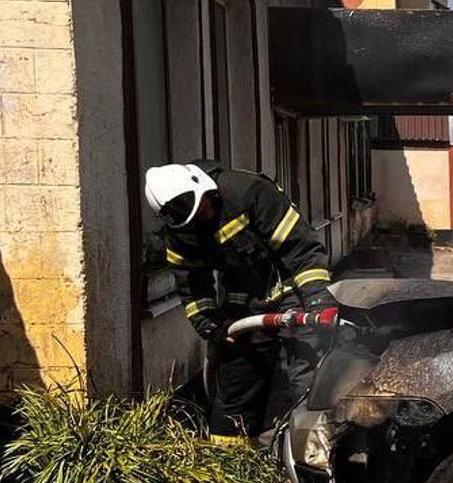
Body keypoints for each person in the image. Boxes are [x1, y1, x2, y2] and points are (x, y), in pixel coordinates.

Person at [143, 160, 333, 441]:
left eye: (204, 208)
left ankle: (313, 455)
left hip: (293, 292)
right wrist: (211, 325)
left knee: (308, 377)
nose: (203, 217)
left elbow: (301, 249)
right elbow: (193, 284)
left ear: (204, 187)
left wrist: (317, 299)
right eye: (193, 217)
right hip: (244, 304)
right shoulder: (181, 230)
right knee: (235, 384)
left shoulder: (249, 192)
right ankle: (229, 463)